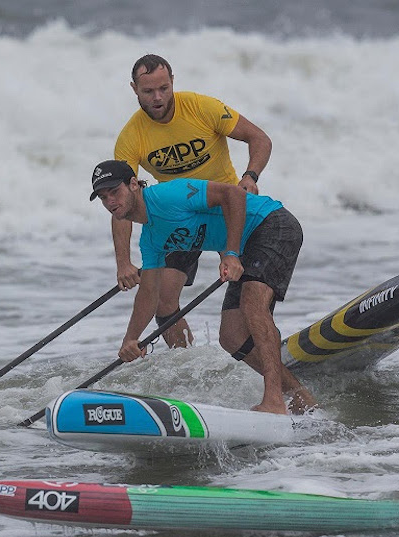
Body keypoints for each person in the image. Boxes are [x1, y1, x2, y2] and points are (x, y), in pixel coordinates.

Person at [88, 159, 314, 415]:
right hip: (250, 244)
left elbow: (233, 194)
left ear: (133, 184)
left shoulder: (167, 195)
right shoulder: (151, 239)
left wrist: (230, 252)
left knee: (253, 305)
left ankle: (274, 401)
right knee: (232, 337)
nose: (110, 202)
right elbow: (149, 292)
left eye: (114, 192)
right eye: (104, 198)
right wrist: (131, 338)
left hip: (271, 224)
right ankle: (300, 397)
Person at [111, 54, 272, 349]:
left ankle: (263, 355)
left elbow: (259, 138)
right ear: (134, 89)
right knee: (162, 299)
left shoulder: (201, 108)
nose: (157, 98)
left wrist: (250, 177)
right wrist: (123, 263)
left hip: (226, 209)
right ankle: (184, 364)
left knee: (249, 293)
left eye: (163, 88)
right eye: (148, 91)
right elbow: (123, 201)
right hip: (180, 216)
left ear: (173, 82)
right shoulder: (131, 136)